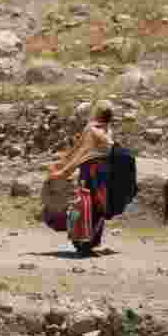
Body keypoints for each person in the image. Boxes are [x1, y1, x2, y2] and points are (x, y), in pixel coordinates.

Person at [46, 100, 114, 256]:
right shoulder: (92, 130)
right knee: (87, 205)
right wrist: (64, 170)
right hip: (91, 172)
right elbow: (81, 152)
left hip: (102, 172)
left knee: (98, 206)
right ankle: (83, 243)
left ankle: (90, 243)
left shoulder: (104, 129)